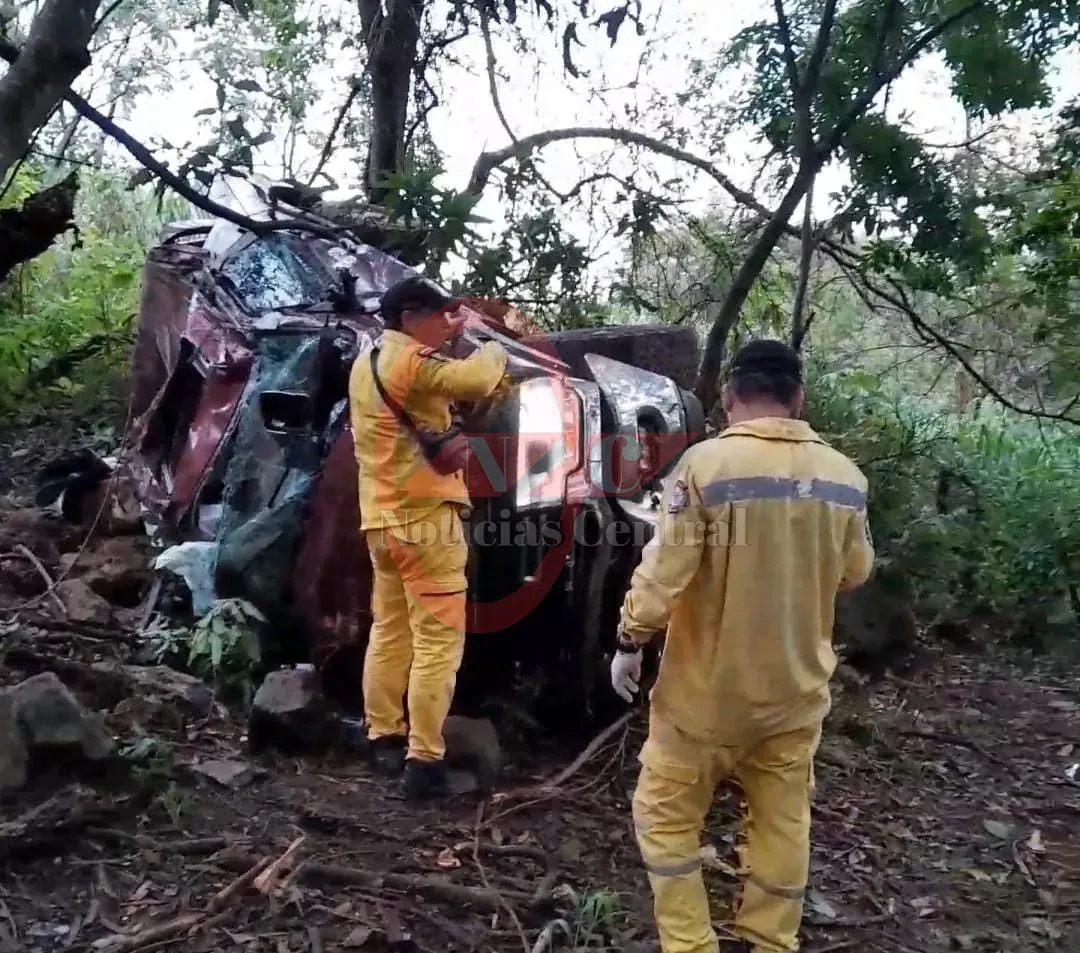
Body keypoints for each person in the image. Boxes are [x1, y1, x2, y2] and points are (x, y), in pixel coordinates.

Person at [611, 340, 875, 953]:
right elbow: (855, 571)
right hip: (795, 695)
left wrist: (630, 636)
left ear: (730, 398)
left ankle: (690, 943)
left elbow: (664, 573)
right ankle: (771, 941)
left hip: (706, 697)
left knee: (665, 817)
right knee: (783, 825)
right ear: (798, 399)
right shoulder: (846, 478)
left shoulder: (706, 467)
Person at [349, 275, 511, 801]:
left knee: (390, 632)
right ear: (408, 317)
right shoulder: (410, 362)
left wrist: (454, 335)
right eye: (438, 314)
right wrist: (488, 340)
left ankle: (382, 736)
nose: (445, 322)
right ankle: (423, 762)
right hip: (426, 523)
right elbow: (477, 380)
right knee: (438, 642)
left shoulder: (366, 363)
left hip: (381, 521)